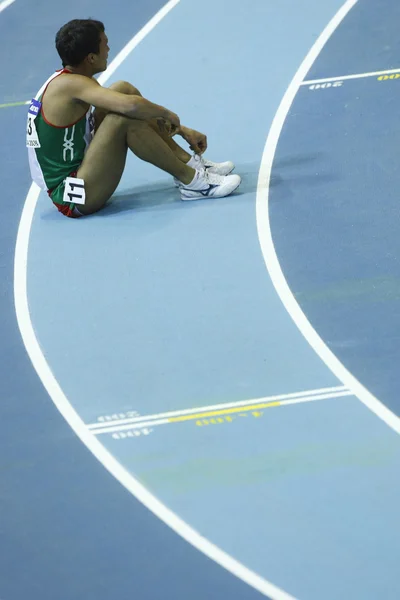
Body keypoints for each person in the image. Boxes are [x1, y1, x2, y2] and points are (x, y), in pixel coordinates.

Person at [26, 18, 241, 218]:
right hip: (73, 195)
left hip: (81, 166)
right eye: (104, 44)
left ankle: (190, 163)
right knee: (123, 118)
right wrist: (170, 115)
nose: (108, 49)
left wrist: (181, 129)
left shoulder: (68, 80)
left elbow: (127, 101)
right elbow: (130, 107)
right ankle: (193, 183)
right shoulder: (71, 86)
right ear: (91, 58)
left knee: (122, 89)